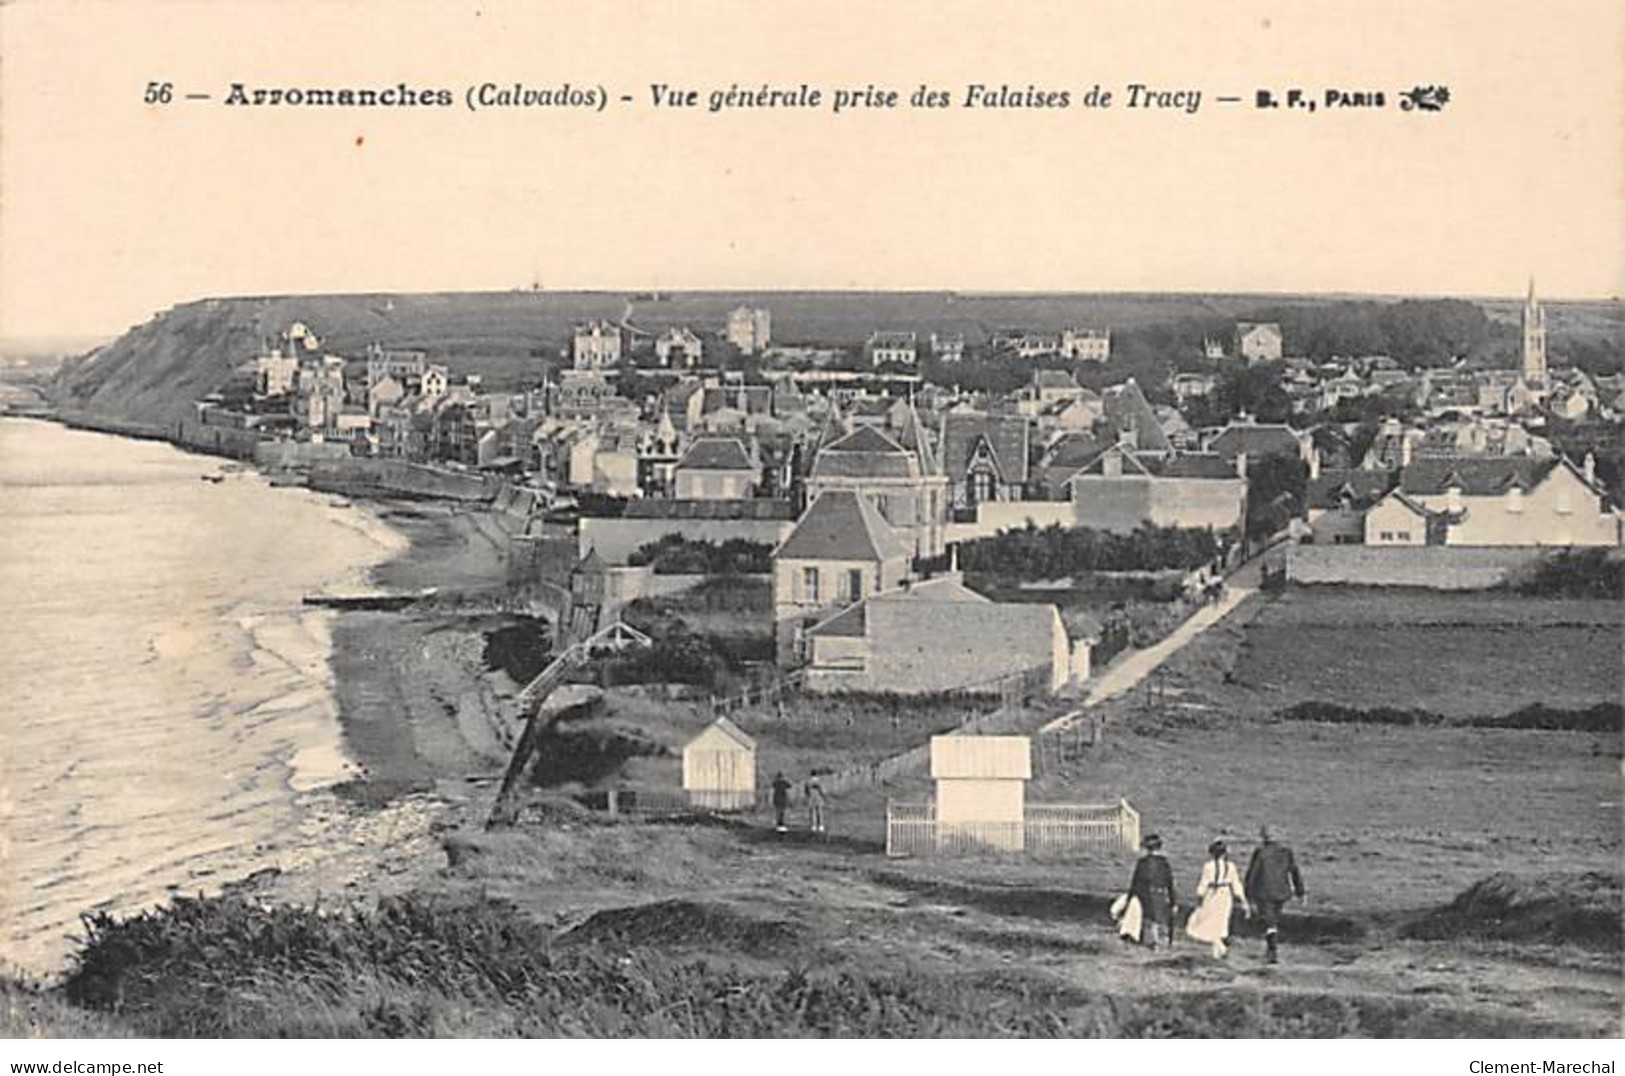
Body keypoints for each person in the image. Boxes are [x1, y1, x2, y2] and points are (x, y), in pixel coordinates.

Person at [1244, 823, 1307, 964]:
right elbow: (1295, 872)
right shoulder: (1286, 852)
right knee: (1272, 920)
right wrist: (1300, 892)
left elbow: (1253, 873)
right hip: (1281, 892)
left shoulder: (1260, 852)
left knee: (1269, 921)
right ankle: (1271, 948)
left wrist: (1247, 892)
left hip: (1264, 892)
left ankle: (1272, 951)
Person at [1186, 839, 1249, 959]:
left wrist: (1199, 896)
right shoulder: (1230, 867)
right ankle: (1219, 949)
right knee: (1221, 922)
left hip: (1212, 895)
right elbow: (1236, 885)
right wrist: (1243, 900)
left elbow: (1203, 883)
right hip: (1225, 895)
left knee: (1208, 921)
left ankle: (1220, 949)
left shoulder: (1208, 866)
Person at [1126, 833, 1177, 949]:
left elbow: (1136, 883)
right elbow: (1170, 883)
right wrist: (1173, 901)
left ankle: (1152, 942)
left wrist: (1130, 899)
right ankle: (1162, 942)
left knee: (1149, 921)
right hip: (1161, 894)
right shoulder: (1164, 863)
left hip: (1147, 895)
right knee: (1161, 920)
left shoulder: (1143, 863)